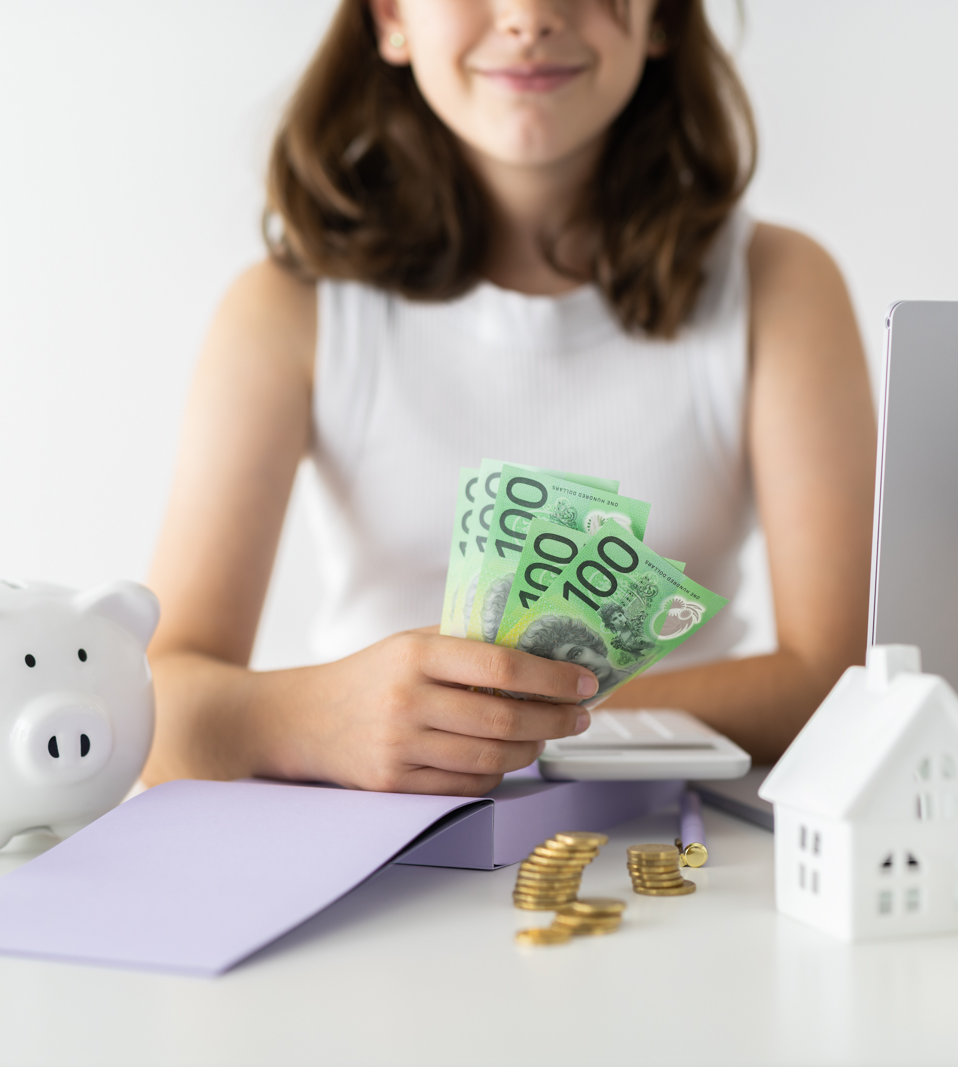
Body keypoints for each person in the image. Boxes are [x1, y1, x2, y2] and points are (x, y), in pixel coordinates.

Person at [141, 0, 875, 796]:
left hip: (681, 846)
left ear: (661, 14)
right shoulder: (285, 309)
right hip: (380, 852)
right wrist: (322, 717)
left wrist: (489, 716)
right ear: (390, 17)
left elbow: (846, 677)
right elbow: (153, 713)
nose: (528, 17)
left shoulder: (781, 286)